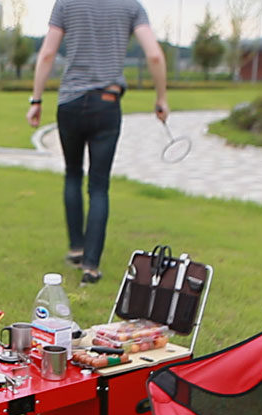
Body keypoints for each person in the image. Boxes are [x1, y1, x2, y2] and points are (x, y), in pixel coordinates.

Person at [26, 0, 169, 286]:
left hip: (70, 103)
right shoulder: (131, 6)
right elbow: (154, 55)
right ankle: (90, 266)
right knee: (99, 186)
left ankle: (76, 249)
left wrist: (36, 100)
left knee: (73, 174)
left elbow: (48, 53)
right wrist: (161, 98)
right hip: (107, 102)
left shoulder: (66, 3)